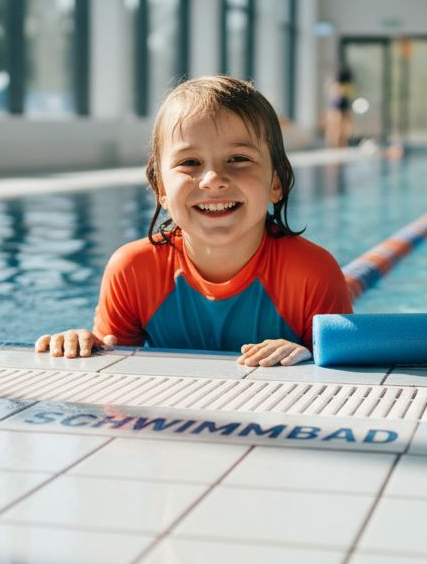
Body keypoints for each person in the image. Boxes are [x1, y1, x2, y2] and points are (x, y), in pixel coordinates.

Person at [35, 75, 353, 366]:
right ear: (161, 188)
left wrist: (309, 356)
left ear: (275, 183)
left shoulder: (312, 273)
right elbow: (115, 372)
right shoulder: (133, 271)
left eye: (238, 159)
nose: (213, 179)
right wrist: (84, 346)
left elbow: (348, 382)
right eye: (190, 162)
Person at [322, 66, 355, 148]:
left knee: (343, 130)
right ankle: (334, 146)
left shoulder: (338, 84)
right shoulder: (336, 84)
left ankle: (339, 146)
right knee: (335, 129)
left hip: (341, 108)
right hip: (336, 108)